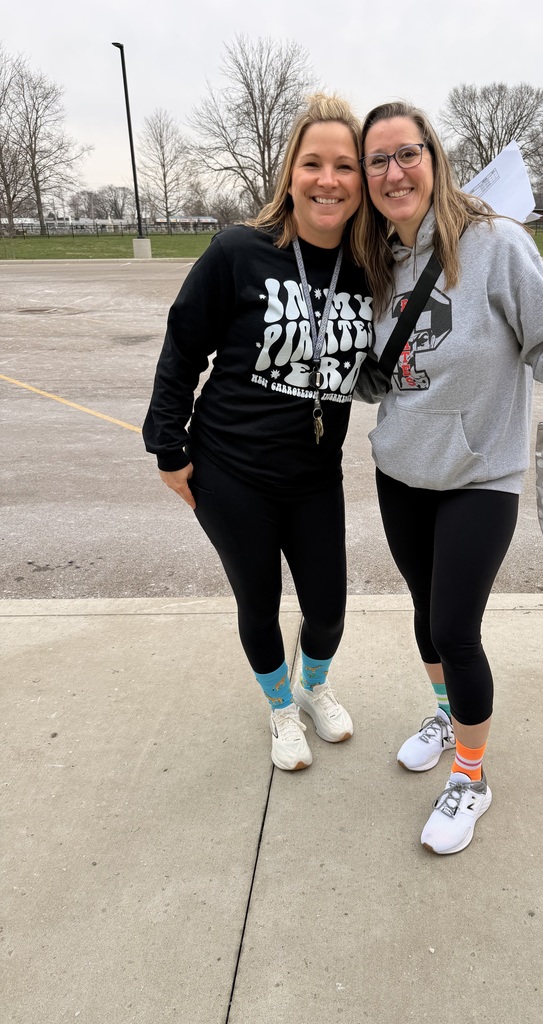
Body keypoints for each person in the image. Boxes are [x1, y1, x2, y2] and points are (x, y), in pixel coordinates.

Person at [357, 101, 543, 855]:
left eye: (408, 153)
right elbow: (373, 379)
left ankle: (471, 776)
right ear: (366, 178)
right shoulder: (370, 262)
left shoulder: (497, 244)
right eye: (378, 161)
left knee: (457, 630)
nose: (394, 172)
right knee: (426, 619)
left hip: (478, 475)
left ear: (435, 156)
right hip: (400, 471)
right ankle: (443, 712)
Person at [142, 95, 373, 772]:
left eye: (343, 165)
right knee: (260, 599)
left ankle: (313, 688)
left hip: (313, 475)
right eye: (312, 163)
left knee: (328, 606)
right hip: (230, 470)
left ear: (361, 180)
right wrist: (167, 447)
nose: (327, 179)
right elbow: (183, 345)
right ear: (290, 174)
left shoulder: (371, 267)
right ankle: (279, 709)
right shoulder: (240, 251)